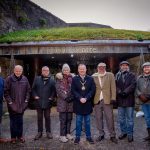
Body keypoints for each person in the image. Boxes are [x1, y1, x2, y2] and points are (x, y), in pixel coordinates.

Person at [4, 65, 31, 143]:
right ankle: (13, 137)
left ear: (22, 71)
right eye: (17, 70)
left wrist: (26, 101)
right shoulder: (9, 79)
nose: (18, 72)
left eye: (19, 71)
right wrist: (10, 102)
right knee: (13, 122)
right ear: (14, 70)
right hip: (12, 105)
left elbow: (28, 91)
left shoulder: (25, 79)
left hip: (21, 105)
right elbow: (6, 92)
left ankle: (20, 136)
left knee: (20, 121)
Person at [92, 62, 117, 144]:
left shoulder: (110, 75)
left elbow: (113, 87)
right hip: (97, 100)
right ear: (97, 68)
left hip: (108, 100)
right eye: (100, 67)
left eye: (103, 67)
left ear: (105, 68)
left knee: (110, 118)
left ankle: (112, 135)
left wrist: (113, 97)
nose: (101, 68)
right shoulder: (94, 76)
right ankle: (101, 134)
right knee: (98, 118)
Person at [71, 64, 96, 144]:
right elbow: (73, 90)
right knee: (78, 121)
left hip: (87, 103)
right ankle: (77, 137)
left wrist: (86, 98)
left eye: (83, 69)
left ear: (86, 69)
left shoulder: (90, 79)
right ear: (78, 70)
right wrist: (80, 98)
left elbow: (92, 90)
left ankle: (88, 136)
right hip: (78, 103)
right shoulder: (74, 79)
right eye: (80, 69)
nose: (82, 70)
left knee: (87, 121)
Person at [32, 66, 55, 140]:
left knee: (47, 117)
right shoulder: (37, 79)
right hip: (38, 102)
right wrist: (35, 96)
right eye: (44, 70)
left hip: (47, 102)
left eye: (47, 70)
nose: (45, 71)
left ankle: (48, 132)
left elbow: (53, 90)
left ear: (49, 71)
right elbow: (33, 89)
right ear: (41, 71)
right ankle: (40, 132)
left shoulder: (52, 80)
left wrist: (51, 97)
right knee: (39, 118)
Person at [116, 61, 136, 142]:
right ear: (120, 67)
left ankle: (130, 134)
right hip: (120, 100)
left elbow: (133, 85)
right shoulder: (117, 75)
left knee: (130, 119)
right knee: (121, 119)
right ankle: (123, 132)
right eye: (122, 65)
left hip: (129, 100)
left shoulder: (132, 75)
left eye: (126, 65)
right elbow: (115, 85)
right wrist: (119, 91)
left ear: (128, 67)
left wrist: (125, 92)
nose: (124, 67)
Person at [56, 64, 74, 143]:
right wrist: (66, 97)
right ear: (62, 71)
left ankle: (68, 133)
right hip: (62, 102)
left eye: (67, 70)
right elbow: (58, 90)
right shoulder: (59, 78)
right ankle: (62, 135)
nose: (66, 71)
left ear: (69, 70)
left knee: (69, 119)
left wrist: (71, 97)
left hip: (70, 103)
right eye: (65, 70)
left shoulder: (72, 78)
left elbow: (74, 88)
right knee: (63, 120)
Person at [135, 62, 150, 141]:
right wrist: (140, 95)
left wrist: (148, 97)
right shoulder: (139, 78)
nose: (146, 68)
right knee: (147, 118)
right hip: (143, 102)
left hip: (148, 100)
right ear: (143, 69)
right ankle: (149, 135)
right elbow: (136, 88)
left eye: (148, 67)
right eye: (145, 67)